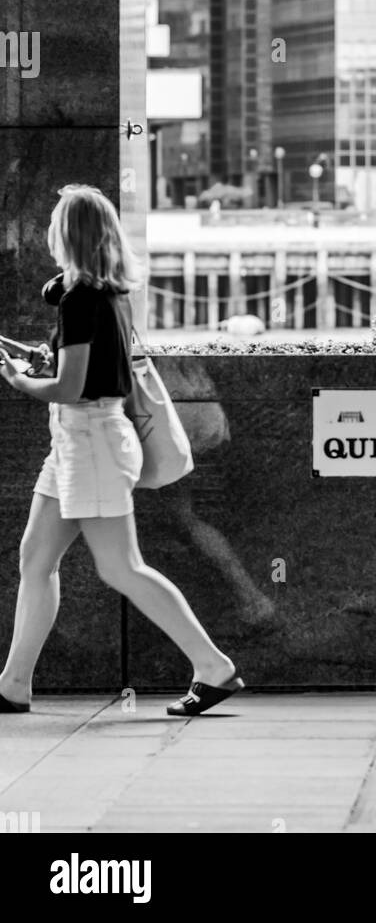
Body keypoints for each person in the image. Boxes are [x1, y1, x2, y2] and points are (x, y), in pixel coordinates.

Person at [0, 184, 242, 716]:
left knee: (122, 567)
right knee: (35, 558)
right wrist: (49, 359)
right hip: (76, 441)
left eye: (55, 221)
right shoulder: (103, 295)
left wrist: (20, 381)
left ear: (68, 233)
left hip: (91, 441)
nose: (47, 230)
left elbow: (70, 387)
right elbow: (83, 371)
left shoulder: (82, 298)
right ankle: (13, 684)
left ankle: (214, 666)